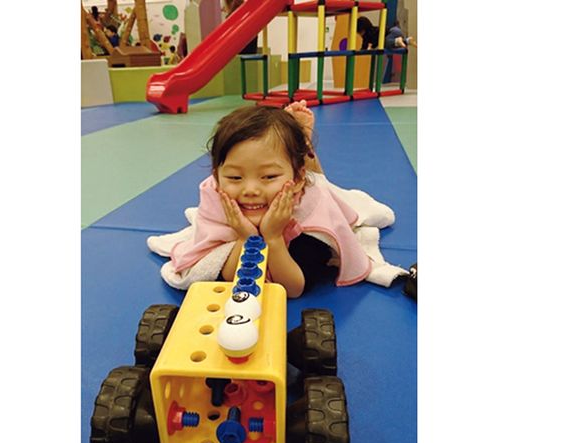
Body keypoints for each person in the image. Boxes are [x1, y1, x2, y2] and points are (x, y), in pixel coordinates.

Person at [147, 101, 407, 297]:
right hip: (289, 177)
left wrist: (273, 238)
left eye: (268, 176)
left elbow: (292, 289)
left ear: (295, 179)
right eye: (235, 177)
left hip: (303, 189)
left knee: (321, 184)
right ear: (216, 176)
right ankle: (297, 147)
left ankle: (304, 148)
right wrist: (246, 237)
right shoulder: (216, 195)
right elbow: (227, 273)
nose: (250, 190)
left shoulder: (308, 221)